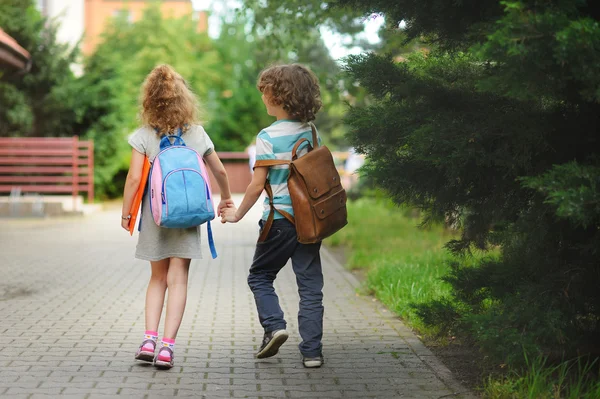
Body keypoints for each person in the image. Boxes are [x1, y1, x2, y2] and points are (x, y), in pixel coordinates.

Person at [121, 64, 233, 369]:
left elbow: (133, 180)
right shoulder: (196, 133)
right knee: (178, 278)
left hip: (156, 216)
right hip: (188, 216)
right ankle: (168, 348)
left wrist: (127, 213)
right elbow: (219, 170)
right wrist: (225, 198)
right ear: (185, 99)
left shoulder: (144, 136)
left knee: (157, 278)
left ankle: (148, 340)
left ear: (149, 100)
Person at [221, 64, 325, 368]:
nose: (263, 97)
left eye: (265, 92)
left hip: (278, 221)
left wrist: (237, 214)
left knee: (260, 276)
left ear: (280, 95)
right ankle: (312, 353)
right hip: (309, 220)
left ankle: (275, 325)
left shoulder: (266, 136)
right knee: (310, 287)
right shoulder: (310, 131)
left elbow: (256, 185)